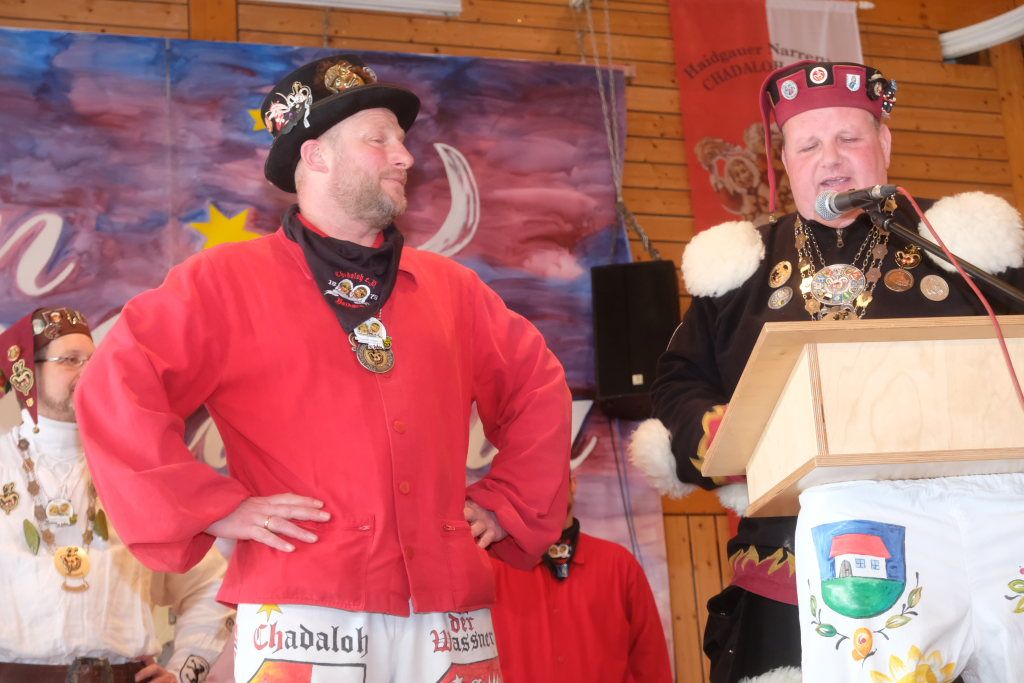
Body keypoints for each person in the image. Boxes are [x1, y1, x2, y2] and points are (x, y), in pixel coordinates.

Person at [74, 54, 571, 682]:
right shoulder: (223, 283)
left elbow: (537, 387)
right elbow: (115, 384)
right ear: (316, 156)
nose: (405, 156)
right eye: (378, 139)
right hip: (303, 611)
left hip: (449, 612)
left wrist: (508, 503)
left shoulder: (455, 291)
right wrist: (208, 507)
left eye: (402, 140)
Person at [628, 60, 1024, 683]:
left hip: (975, 547)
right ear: (786, 161)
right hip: (789, 562)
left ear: (884, 143)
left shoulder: (959, 248)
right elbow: (677, 382)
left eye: (849, 138)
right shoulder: (742, 269)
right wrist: (733, 434)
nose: (830, 159)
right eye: (809, 145)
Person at [0, 306, 233, 683]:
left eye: (93, 361)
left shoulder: (138, 471)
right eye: (70, 360)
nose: (88, 373)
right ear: (27, 373)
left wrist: (184, 671)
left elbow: (209, 582)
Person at [488, 461, 672, 682]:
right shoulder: (493, 567)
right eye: (533, 483)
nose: (546, 490)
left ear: (573, 484)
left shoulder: (619, 564)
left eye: (554, 479)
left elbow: (650, 660)